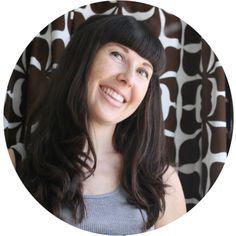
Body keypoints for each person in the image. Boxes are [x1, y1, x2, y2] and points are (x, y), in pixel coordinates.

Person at [8, 14, 186, 235]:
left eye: (143, 71)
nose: (128, 78)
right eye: (117, 55)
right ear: (82, 58)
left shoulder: (163, 181)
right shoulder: (16, 164)